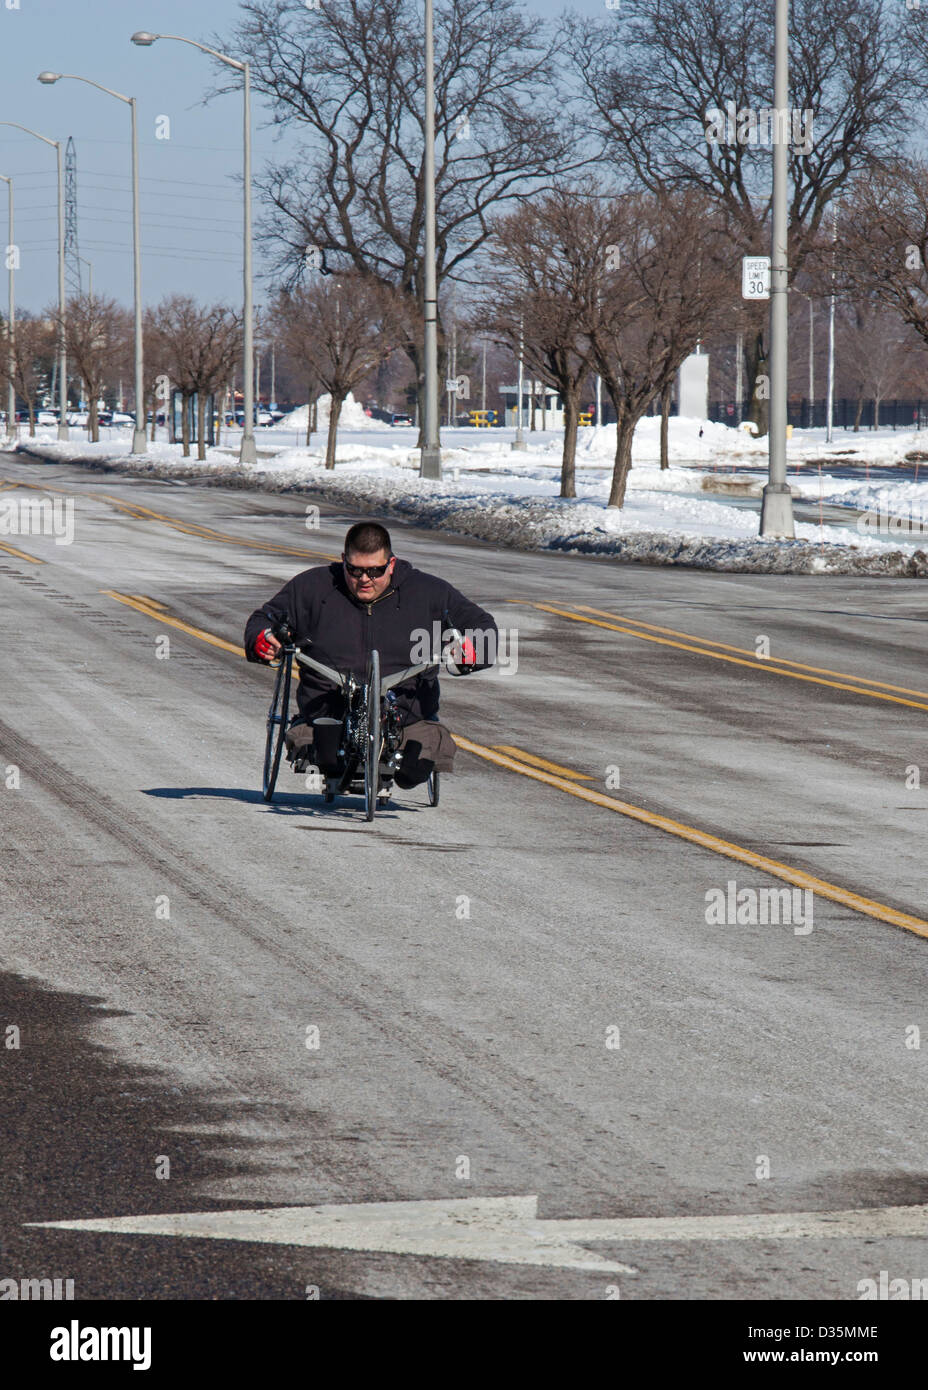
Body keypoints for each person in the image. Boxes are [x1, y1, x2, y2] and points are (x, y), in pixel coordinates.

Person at [244, 521, 497, 789]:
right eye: (354, 570)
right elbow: (264, 619)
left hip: (404, 716)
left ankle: (407, 757)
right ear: (343, 561)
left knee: (412, 771)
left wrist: (472, 649)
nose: (364, 579)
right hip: (328, 712)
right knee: (325, 761)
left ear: (391, 564)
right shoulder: (311, 587)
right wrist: (262, 639)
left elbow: (482, 626)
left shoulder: (428, 592)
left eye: (375, 571)